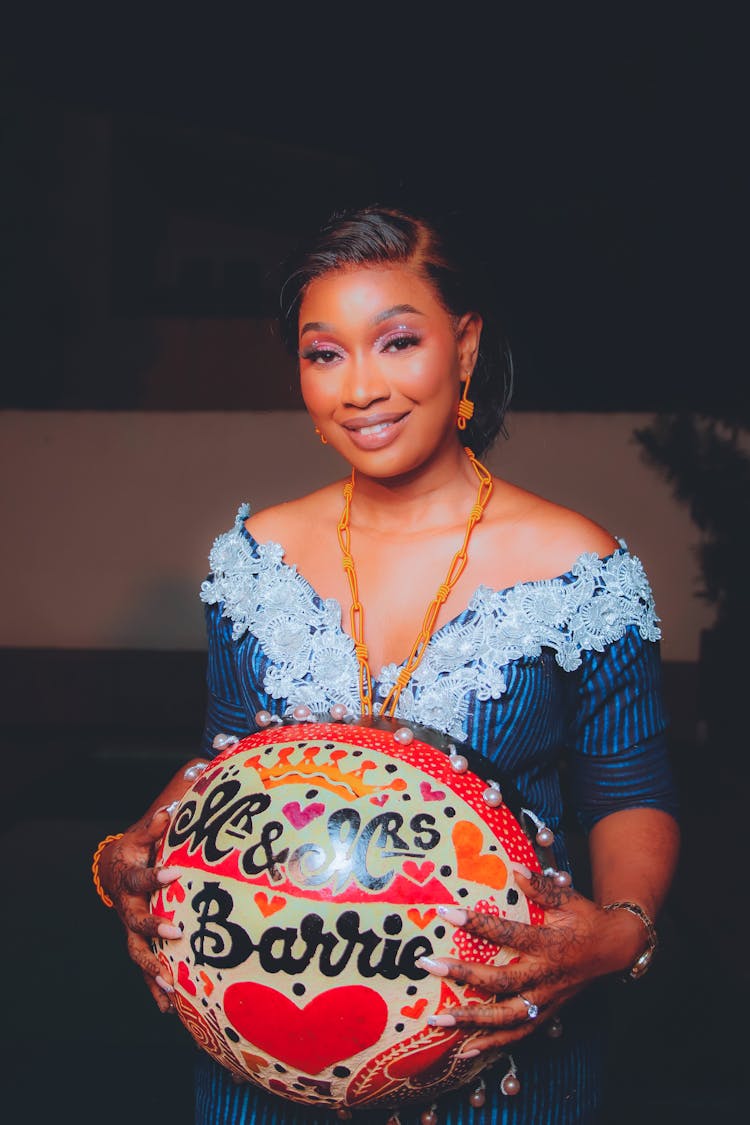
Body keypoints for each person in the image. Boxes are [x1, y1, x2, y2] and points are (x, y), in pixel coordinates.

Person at [94, 205, 680, 1124]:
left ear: (466, 346)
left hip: (495, 1067)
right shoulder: (257, 559)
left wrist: (617, 935)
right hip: (258, 1063)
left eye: (397, 341)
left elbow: (630, 787)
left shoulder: (579, 568)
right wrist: (131, 849)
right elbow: (220, 764)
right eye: (324, 353)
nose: (360, 387)